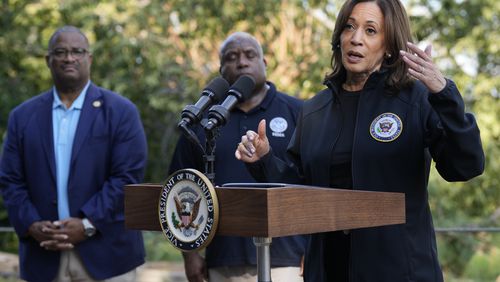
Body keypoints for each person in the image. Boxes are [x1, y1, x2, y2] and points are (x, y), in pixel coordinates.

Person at [235, 1, 485, 281]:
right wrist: (264, 159)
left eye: (370, 30)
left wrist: (444, 93)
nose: (356, 38)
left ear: (389, 45)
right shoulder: (314, 110)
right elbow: (300, 188)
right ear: (339, 37)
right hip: (329, 271)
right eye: (349, 27)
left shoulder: (415, 98)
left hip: (401, 272)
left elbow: (466, 166)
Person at [0, 26, 147, 282]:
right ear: (48, 60)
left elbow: (126, 178)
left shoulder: (121, 112)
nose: (69, 58)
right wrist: (32, 225)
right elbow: (10, 180)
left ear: (89, 58)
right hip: (43, 256)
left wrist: (88, 224)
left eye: (77, 51)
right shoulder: (22, 117)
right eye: (61, 52)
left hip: (108, 257)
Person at [169, 31, 306, 282]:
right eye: (232, 57)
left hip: (287, 260)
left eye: (249, 55)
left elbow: (315, 182)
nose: (242, 62)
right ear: (221, 70)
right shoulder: (203, 121)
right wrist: (190, 254)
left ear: (264, 64)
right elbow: (180, 185)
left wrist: (314, 249)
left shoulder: (298, 112)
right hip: (223, 260)